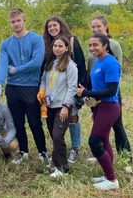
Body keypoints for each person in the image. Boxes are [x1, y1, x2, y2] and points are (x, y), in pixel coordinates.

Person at [0, 7, 48, 164]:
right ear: (10, 23)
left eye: (18, 20)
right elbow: (3, 65)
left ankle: (42, 152)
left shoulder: (36, 39)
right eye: (13, 22)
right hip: (12, 88)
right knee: (17, 122)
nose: (16, 24)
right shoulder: (6, 44)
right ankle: (23, 151)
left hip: (31, 87)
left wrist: (16, 69)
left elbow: (36, 63)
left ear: (24, 20)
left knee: (34, 122)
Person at [76, 33, 121, 190]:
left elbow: (111, 90)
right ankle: (108, 173)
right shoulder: (98, 61)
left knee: (94, 141)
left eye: (95, 45)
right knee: (104, 140)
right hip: (100, 106)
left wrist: (86, 93)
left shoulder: (111, 63)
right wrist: (90, 95)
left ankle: (112, 180)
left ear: (105, 46)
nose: (92, 48)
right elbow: (99, 87)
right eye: (90, 45)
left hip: (109, 107)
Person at [88, 16, 132, 168]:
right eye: (93, 27)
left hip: (110, 93)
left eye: (98, 26)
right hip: (95, 94)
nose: (95, 29)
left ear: (106, 27)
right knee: (99, 124)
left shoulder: (114, 45)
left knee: (117, 125)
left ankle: (126, 159)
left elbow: (116, 71)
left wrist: (110, 93)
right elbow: (90, 71)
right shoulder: (92, 45)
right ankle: (100, 152)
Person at [43, 16, 88, 163]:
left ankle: (75, 148)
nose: (52, 29)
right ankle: (58, 150)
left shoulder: (72, 40)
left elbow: (80, 64)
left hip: (72, 88)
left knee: (73, 118)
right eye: (49, 27)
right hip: (55, 91)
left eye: (54, 25)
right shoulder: (49, 43)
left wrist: (80, 92)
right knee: (57, 124)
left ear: (61, 25)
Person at [38, 36, 78, 177]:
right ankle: (56, 163)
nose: (57, 48)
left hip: (62, 107)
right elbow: (43, 80)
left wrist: (66, 106)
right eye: (55, 46)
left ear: (67, 48)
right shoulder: (50, 64)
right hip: (49, 106)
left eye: (60, 46)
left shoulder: (70, 65)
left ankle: (62, 168)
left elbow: (72, 87)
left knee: (57, 136)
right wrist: (42, 91)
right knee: (54, 136)